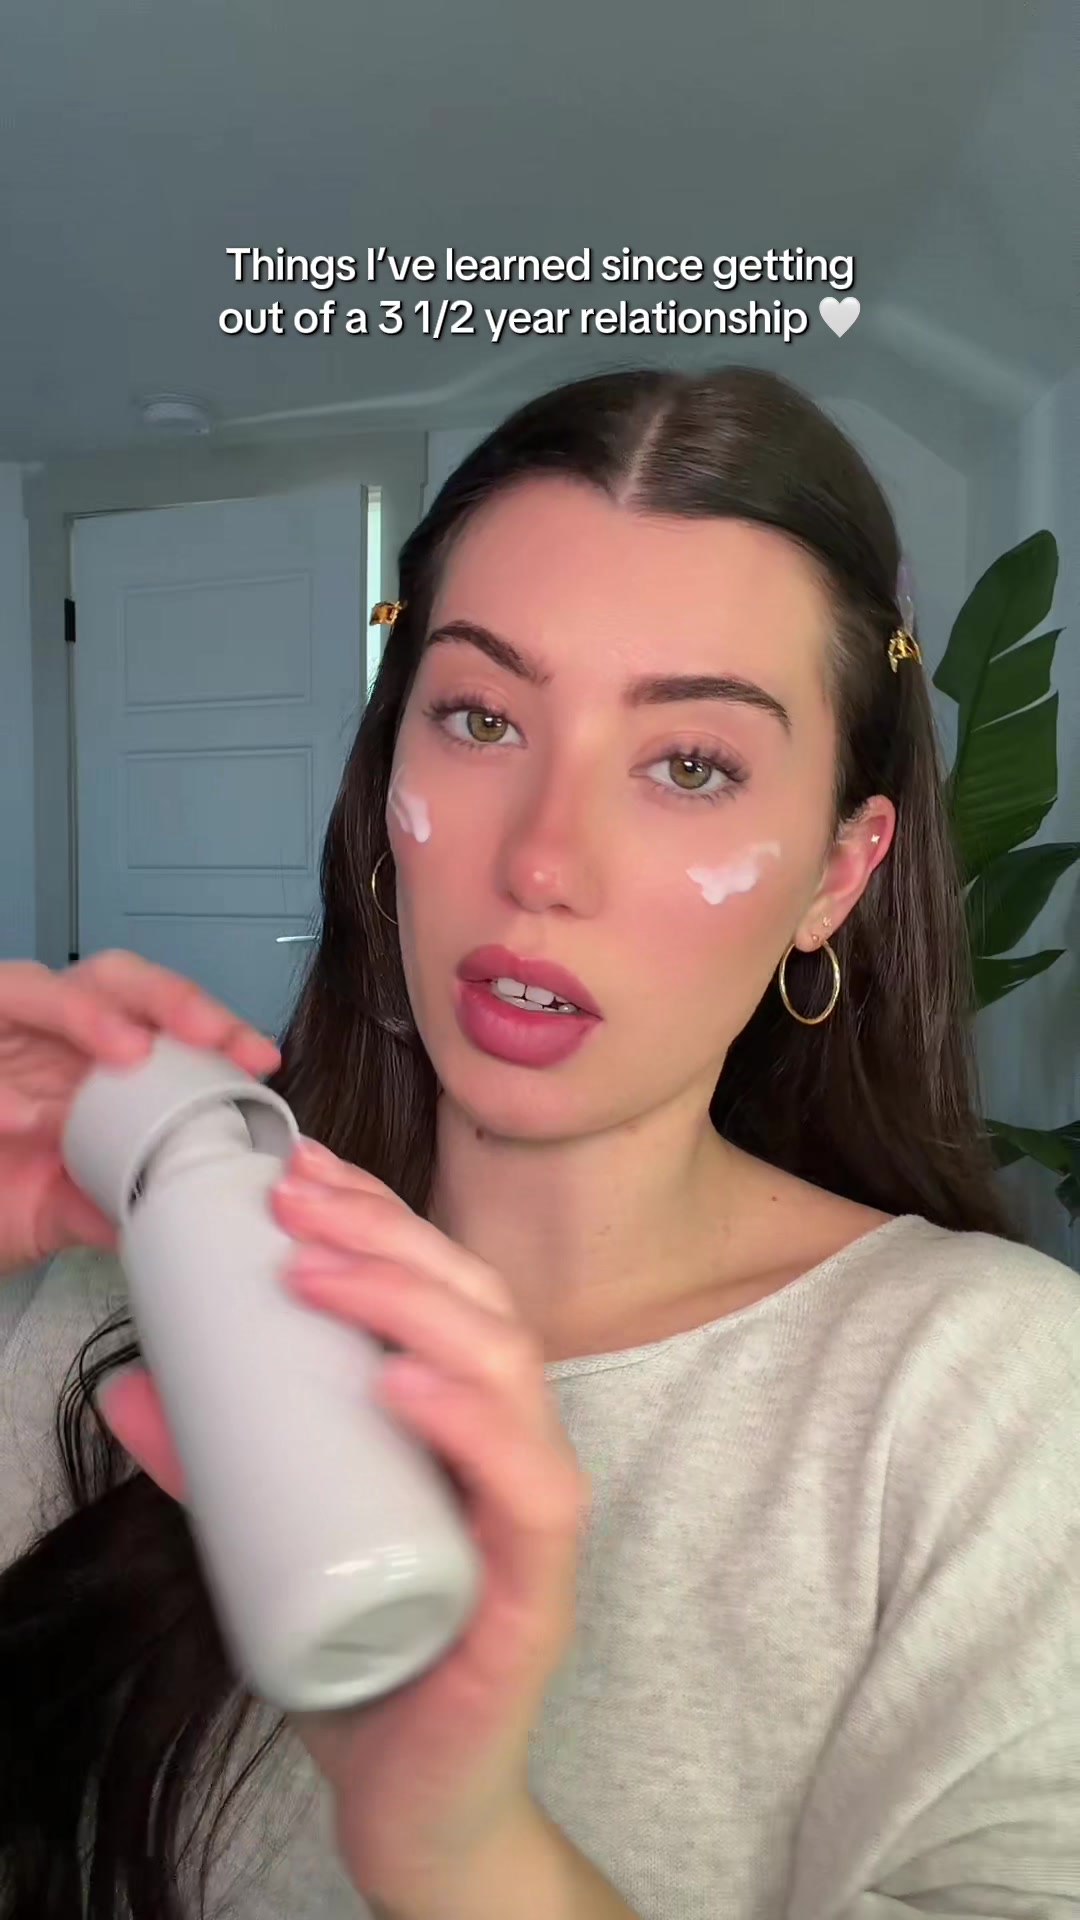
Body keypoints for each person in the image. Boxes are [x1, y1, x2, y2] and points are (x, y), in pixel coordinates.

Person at [0, 366, 1077, 1920]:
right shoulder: (124, 1289)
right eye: (482, 717)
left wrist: (463, 1853)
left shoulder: (990, 1398)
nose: (543, 861)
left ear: (837, 876)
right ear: (392, 778)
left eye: (692, 764)